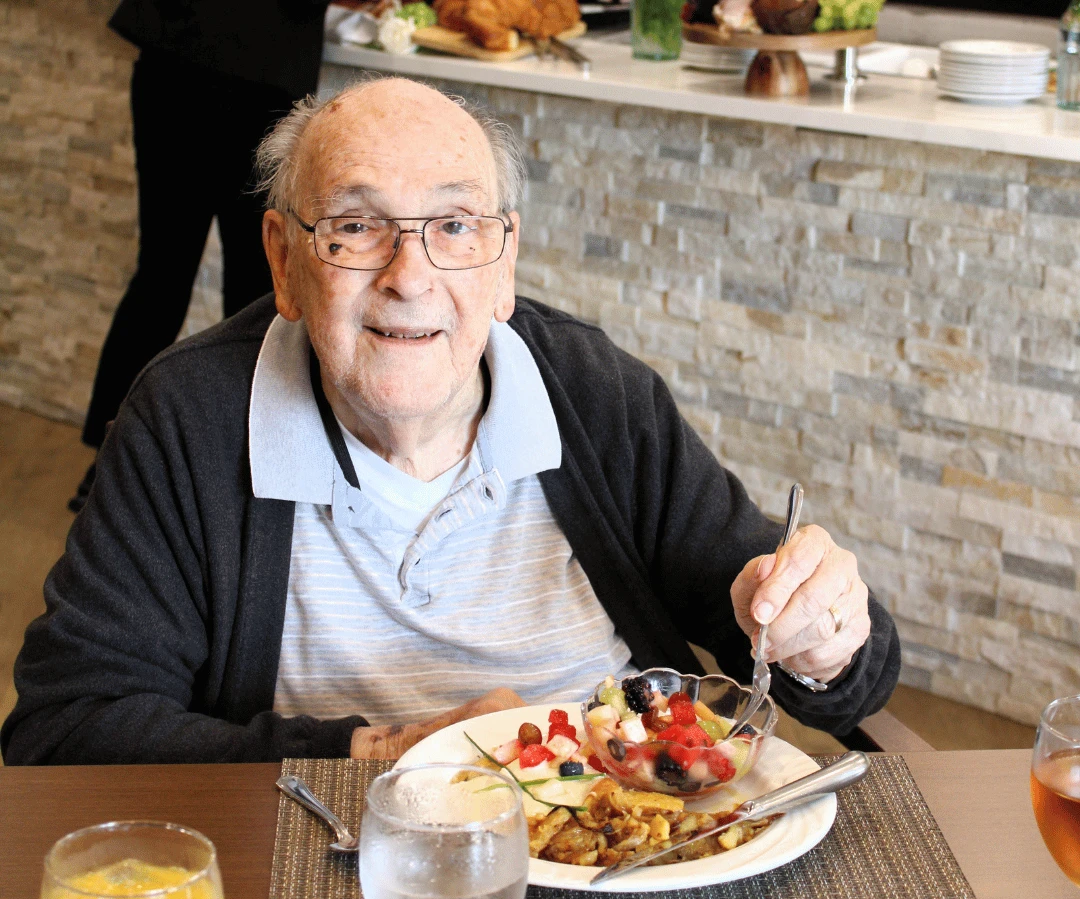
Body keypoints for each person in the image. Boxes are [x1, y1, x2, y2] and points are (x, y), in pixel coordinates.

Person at [2, 77, 900, 765]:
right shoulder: (188, 420)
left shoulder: (595, 394)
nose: (410, 276)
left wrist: (821, 635)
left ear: (504, 262)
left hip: (625, 860)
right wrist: (381, 754)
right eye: (356, 226)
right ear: (283, 261)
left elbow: (831, 660)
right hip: (328, 875)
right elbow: (64, 728)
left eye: (456, 226)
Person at [70, 0, 331, 512]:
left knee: (161, 276)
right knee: (253, 290)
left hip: (176, 55)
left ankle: (107, 463)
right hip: (260, 71)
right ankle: (247, 471)